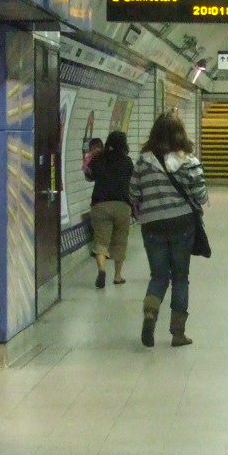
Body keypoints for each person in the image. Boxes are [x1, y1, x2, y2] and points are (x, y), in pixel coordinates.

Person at [130, 112, 208, 347]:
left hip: (152, 224)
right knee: (180, 277)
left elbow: (133, 193)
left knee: (159, 275)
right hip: (182, 223)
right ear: (180, 135)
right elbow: (201, 196)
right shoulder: (189, 161)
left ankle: (150, 314)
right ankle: (177, 333)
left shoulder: (143, 162)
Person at [85, 129, 133, 289]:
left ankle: (102, 269)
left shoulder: (98, 159)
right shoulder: (127, 161)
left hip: (100, 204)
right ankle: (118, 276)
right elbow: (131, 181)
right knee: (120, 241)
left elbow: (89, 176)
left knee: (101, 241)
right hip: (122, 204)